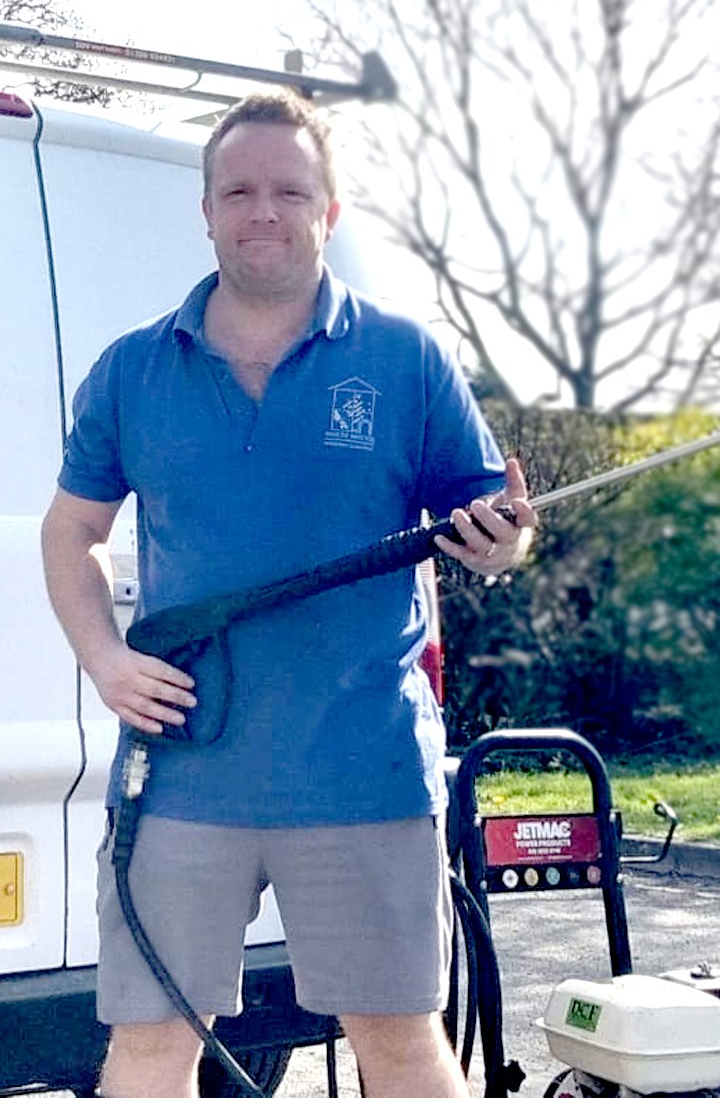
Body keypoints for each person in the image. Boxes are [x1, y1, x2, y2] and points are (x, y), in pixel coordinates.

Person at [40, 91, 536, 1098]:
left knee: (397, 1043)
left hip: (364, 770)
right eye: (240, 190)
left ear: (330, 210)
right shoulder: (133, 370)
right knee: (148, 1047)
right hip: (183, 775)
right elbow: (71, 534)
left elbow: (492, 534)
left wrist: (502, 542)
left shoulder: (406, 359)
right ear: (208, 210)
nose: (263, 209)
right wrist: (105, 659)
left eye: (289, 190)